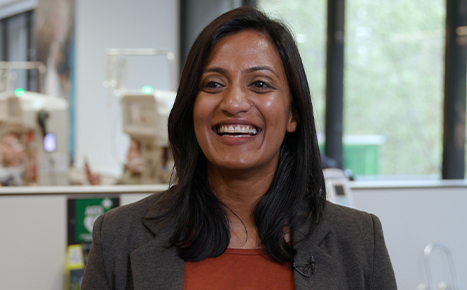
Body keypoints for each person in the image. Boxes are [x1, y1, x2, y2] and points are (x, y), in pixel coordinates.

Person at [82, 6, 397, 289]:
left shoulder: (358, 240)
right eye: (213, 84)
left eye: (260, 84)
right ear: (191, 106)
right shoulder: (118, 238)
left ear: (293, 114)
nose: (233, 103)